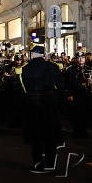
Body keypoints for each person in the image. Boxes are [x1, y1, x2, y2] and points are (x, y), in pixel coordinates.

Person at [20, 46, 63, 174]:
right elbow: (60, 85)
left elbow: (25, 88)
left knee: (35, 137)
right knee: (50, 137)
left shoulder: (26, 69)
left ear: (33, 54)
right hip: (49, 104)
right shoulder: (53, 67)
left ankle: (38, 165)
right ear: (43, 55)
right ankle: (51, 166)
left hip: (33, 105)